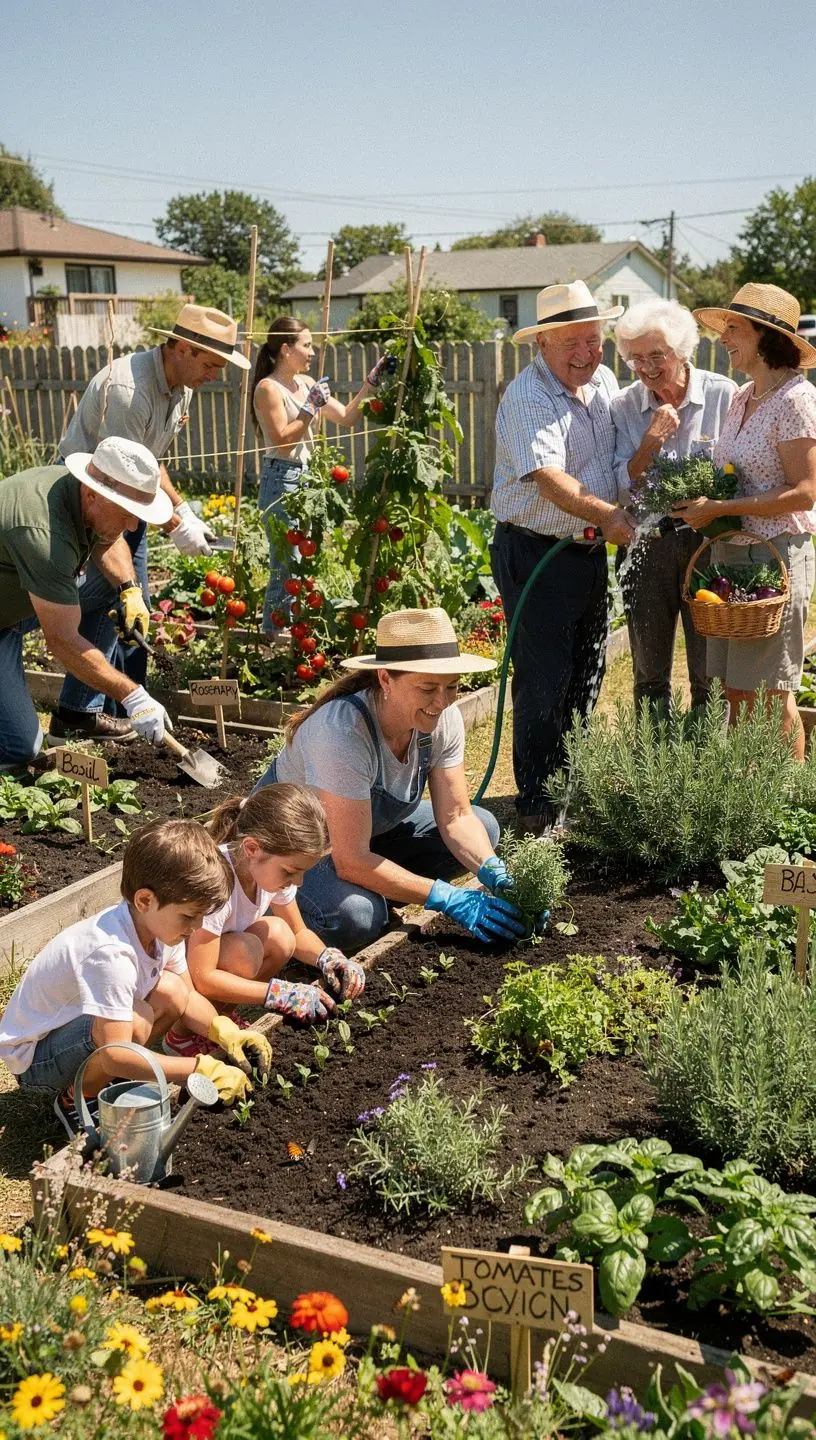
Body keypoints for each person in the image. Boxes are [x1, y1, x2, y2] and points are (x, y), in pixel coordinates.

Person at [253, 607, 525, 952]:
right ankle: (281, 909)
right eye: (427, 687)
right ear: (385, 679)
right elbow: (350, 857)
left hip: (361, 838)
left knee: (484, 830)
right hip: (294, 846)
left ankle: (377, 887)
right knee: (358, 918)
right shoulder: (342, 732)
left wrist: (495, 872)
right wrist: (443, 897)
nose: (441, 701)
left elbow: (456, 817)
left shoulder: (442, 718)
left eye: (452, 686)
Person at [51, 303, 251, 744]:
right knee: (92, 595)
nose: (216, 375)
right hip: (89, 502)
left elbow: (149, 463)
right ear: (182, 347)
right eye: (213, 364)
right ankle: (85, 711)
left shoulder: (182, 386)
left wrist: (184, 511)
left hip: (132, 504)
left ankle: (112, 712)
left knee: (129, 608)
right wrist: (175, 525)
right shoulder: (130, 391)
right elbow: (115, 482)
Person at [0, 819, 273, 1139]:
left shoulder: (158, 931)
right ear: (145, 900)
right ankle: (77, 1098)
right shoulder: (111, 954)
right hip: (36, 1060)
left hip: (77, 1031)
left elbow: (186, 994)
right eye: (189, 916)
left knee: (171, 991)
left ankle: (107, 1077)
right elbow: (116, 1052)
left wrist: (224, 1031)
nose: (197, 926)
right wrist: (199, 1069)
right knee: (138, 1019)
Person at [490, 280, 635, 831]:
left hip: (584, 550)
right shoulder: (529, 396)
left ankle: (568, 785)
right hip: (535, 552)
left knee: (586, 669)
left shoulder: (601, 382)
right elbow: (550, 480)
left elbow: (616, 454)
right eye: (572, 342)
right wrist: (607, 516)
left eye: (594, 340)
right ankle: (534, 802)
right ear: (543, 344)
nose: (586, 353)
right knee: (544, 677)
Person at [669, 283, 816, 759]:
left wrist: (722, 509)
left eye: (735, 328)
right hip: (732, 555)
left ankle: (788, 805)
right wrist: (703, 499)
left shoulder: (796, 400)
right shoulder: (743, 396)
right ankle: (751, 794)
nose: (724, 337)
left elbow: (807, 492)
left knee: (771, 695)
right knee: (735, 691)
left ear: (766, 336)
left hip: (775, 555)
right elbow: (736, 475)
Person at [0, 438, 182, 769]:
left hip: (17, 600)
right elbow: (62, 640)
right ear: (93, 494)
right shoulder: (44, 534)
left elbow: (108, 542)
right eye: (127, 514)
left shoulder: (82, 495)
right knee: (19, 749)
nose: (132, 526)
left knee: (112, 583)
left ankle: (77, 713)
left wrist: (131, 590)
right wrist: (133, 695)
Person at [163, 785, 366, 1057]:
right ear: (252, 848)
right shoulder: (214, 884)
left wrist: (329, 958)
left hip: (209, 965)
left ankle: (221, 1018)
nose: (298, 882)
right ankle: (182, 1035)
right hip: (175, 978)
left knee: (281, 936)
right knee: (244, 952)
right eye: (291, 871)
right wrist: (279, 993)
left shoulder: (269, 876)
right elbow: (203, 978)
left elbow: (298, 932)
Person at [611, 299, 737, 712]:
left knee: (710, 667)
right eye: (635, 359)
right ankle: (656, 761)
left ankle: (706, 759)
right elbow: (621, 487)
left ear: (682, 351)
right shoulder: (625, 406)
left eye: (655, 356)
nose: (645, 368)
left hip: (710, 543)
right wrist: (651, 441)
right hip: (649, 544)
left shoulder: (724, 395)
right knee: (649, 669)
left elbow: (743, 474)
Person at [251, 316, 395, 629]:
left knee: (301, 566)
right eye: (307, 345)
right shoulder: (268, 389)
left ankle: (294, 635)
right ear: (287, 349)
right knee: (285, 568)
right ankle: (274, 640)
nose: (313, 352)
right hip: (281, 480)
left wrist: (371, 382)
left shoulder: (304, 384)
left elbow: (346, 417)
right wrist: (310, 408)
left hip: (306, 481)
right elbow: (284, 442)